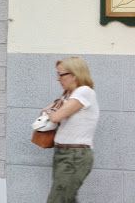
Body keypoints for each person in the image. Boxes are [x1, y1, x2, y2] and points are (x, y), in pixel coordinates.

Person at [45, 57, 99, 202]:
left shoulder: (84, 92)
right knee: (67, 199)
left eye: (61, 74)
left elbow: (55, 117)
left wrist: (52, 112)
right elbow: (44, 112)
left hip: (75, 156)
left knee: (58, 200)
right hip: (63, 153)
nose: (58, 79)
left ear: (74, 75)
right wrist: (52, 111)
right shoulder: (68, 96)